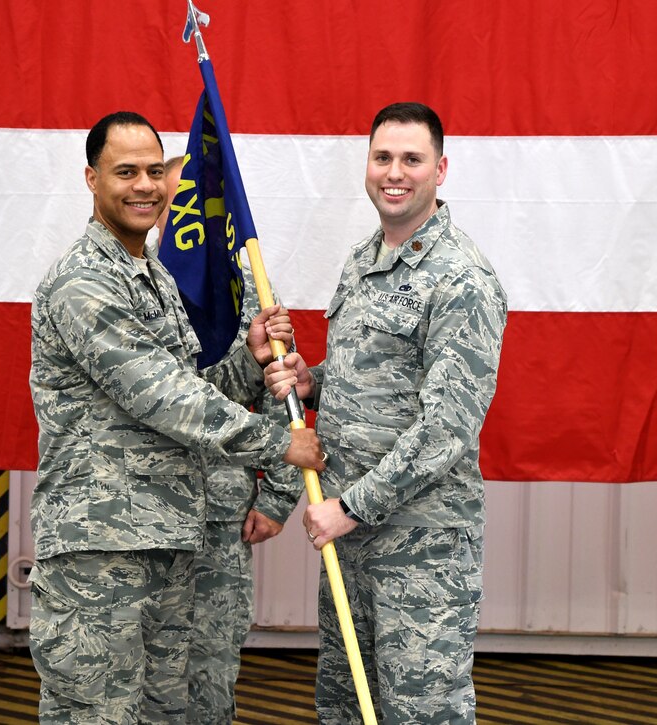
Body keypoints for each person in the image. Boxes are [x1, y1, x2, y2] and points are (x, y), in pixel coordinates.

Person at [28, 111, 324, 725]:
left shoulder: (154, 276)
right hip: (101, 549)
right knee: (96, 714)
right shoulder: (84, 282)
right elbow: (160, 395)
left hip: (168, 538)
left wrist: (250, 358)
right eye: (125, 171)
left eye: (154, 171)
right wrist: (276, 444)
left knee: (173, 712)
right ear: (91, 178)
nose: (145, 185)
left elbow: (191, 386)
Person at [264, 102, 508, 724]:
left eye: (411, 159)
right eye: (382, 158)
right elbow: (369, 388)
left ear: (440, 169)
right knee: (347, 709)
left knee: (420, 712)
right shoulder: (362, 261)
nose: (393, 172)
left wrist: (348, 509)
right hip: (349, 541)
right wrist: (309, 382)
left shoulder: (462, 278)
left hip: (419, 546)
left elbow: (446, 428)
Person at [156, 156, 305, 724]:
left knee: (208, 673)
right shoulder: (135, 291)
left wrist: (276, 499)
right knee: (143, 671)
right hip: (146, 511)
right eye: (177, 205)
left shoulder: (249, 293)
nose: (185, 218)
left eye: (198, 206)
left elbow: (283, 395)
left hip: (221, 517)